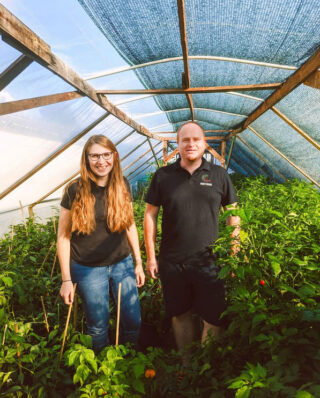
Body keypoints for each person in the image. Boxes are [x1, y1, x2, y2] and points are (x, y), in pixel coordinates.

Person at [144, 121, 240, 366]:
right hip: (172, 261)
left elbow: (233, 212)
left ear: (205, 143)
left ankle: (206, 370)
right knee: (180, 314)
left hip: (211, 260)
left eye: (196, 139)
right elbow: (150, 214)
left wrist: (234, 250)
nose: (191, 144)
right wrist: (151, 256)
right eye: (185, 140)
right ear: (178, 144)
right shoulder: (163, 176)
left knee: (214, 318)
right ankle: (188, 368)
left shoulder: (218, 174)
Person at [57, 134, 145, 353]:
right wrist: (66, 279)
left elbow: (130, 225)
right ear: (86, 159)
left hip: (121, 264)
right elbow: (63, 237)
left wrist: (138, 262)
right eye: (94, 156)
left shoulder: (122, 185)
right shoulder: (74, 190)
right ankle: (103, 370)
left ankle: (128, 362)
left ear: (114, 156)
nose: (101, 161)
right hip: (87, 269)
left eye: (106, 155)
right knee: (98, 326)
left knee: (133, 321)